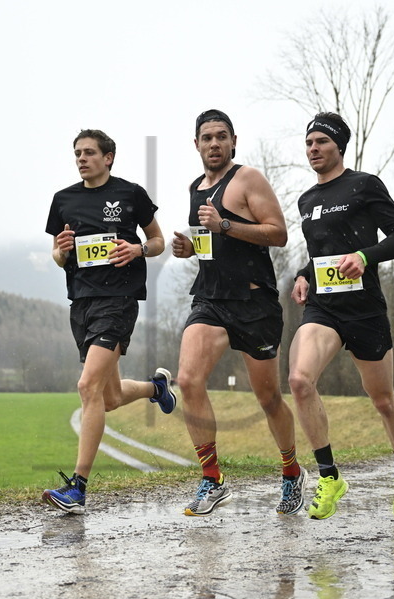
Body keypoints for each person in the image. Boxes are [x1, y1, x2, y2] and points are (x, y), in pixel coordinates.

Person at [288, 112, 394, 521]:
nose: (313, 149)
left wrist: (364, 256)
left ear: (339, 146)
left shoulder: (364, 185)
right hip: (323, 307)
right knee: (299, 380)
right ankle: (329, 475)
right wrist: (304, 276)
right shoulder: (306, 200)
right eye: (308, 143)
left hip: (364, 310)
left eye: (321, 142)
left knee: (383, 400)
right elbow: (320, 252)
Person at [171, 109, 299, 516]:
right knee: (188, 381)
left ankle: (292, 472)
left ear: (233, 141)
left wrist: (225, 224)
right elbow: (207, 244)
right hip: (210, 299)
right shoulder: (195, 188)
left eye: (221, 136)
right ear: (196, 144)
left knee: (268, 398)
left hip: (253, 302)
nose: (214, 144)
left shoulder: (248, 179)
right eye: (206, 137)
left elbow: (277, 233)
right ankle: (212, 479)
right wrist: (189, 249)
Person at [42, 129, 176, 514]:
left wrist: (137, 249)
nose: (81, 159)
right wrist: (61, 251)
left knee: (87, 387)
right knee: (109, 397)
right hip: (81, 303)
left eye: (88, 153)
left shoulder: (130, 194)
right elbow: (56, 254)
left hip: (117, 302)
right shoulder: (63, 200)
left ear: (109, 157)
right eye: (77, 154)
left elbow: (158, 241)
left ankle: (78, 488)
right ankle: (156, 388)